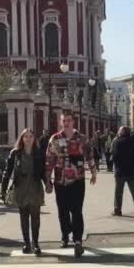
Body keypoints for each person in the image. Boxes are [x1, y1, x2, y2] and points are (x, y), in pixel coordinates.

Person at [46, 111, 97, 258]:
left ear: (73, 122)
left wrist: (93, 173)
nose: (66, 123)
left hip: (77, 180)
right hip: (60, 181)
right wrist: (48, 179)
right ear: (61, 122)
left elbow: (90, 156)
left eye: (68, 120)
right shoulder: (55, 139)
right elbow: (49, 160)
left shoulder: (82, 139)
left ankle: (77, 240)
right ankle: (65, 235)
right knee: (63, 211)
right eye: (64, 121)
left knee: (76, 210)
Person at [1, 129, 52, 255]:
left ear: (34, 138)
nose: (28, 139)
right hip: (21, 187)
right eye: (25, 136)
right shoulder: (15, 153)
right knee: (24, 217)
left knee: (35, 217)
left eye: (31, 136)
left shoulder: (39, 153)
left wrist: (48, 183)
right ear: (22, 139)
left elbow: (43, 171)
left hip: (35, 186)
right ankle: (26, 243)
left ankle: (36, 244)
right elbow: (7, 172)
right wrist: (3, 189)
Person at [112, 126, 134, 219]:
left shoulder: (117, 142)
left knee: (118, 192)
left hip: (120, 172)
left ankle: (118, 210)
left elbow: (114, 157)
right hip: (132, 172)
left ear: (121, 133)